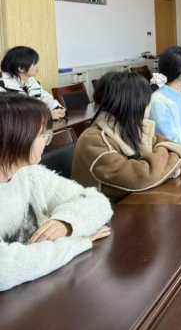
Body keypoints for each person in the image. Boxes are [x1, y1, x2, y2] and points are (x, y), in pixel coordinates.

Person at [0, 95, 112, 292]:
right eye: (41, 134)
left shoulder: (30, 174)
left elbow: (98, 202)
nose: (46, 141)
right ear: (15, 137)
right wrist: (78, 241)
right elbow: (5, 270)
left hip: (42, 287)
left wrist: (66, 224)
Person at [72, 72, 181, 202]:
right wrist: (166, 165)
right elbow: (141, 178)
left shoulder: (132, 127)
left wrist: (161, 166)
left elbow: (176, 149)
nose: (151, 103)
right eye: (148, 99)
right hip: (102, 212)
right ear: (134, 103)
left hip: (135, 205)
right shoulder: (93, 140)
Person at [0, 46, 65, 121]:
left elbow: (47, 100)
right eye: (34, 64)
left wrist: (58, 110)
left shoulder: (32, 82)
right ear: (21, 68)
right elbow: (12, 117)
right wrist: (48, 115)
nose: (38, 67)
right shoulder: (2, 88)